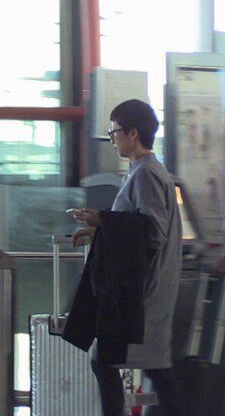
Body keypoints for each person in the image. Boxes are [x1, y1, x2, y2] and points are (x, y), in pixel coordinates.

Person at [67, 99, 183, 416]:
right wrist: (97, 229)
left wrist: (104, 220)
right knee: (153, 368)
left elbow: (152, 232)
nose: (111, 138)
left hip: (143, 294)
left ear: (132, 133)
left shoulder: (146, 174)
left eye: (114, 131)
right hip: (146, 291)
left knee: (106, 360)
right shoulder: (143, 171)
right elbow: (134, 224)